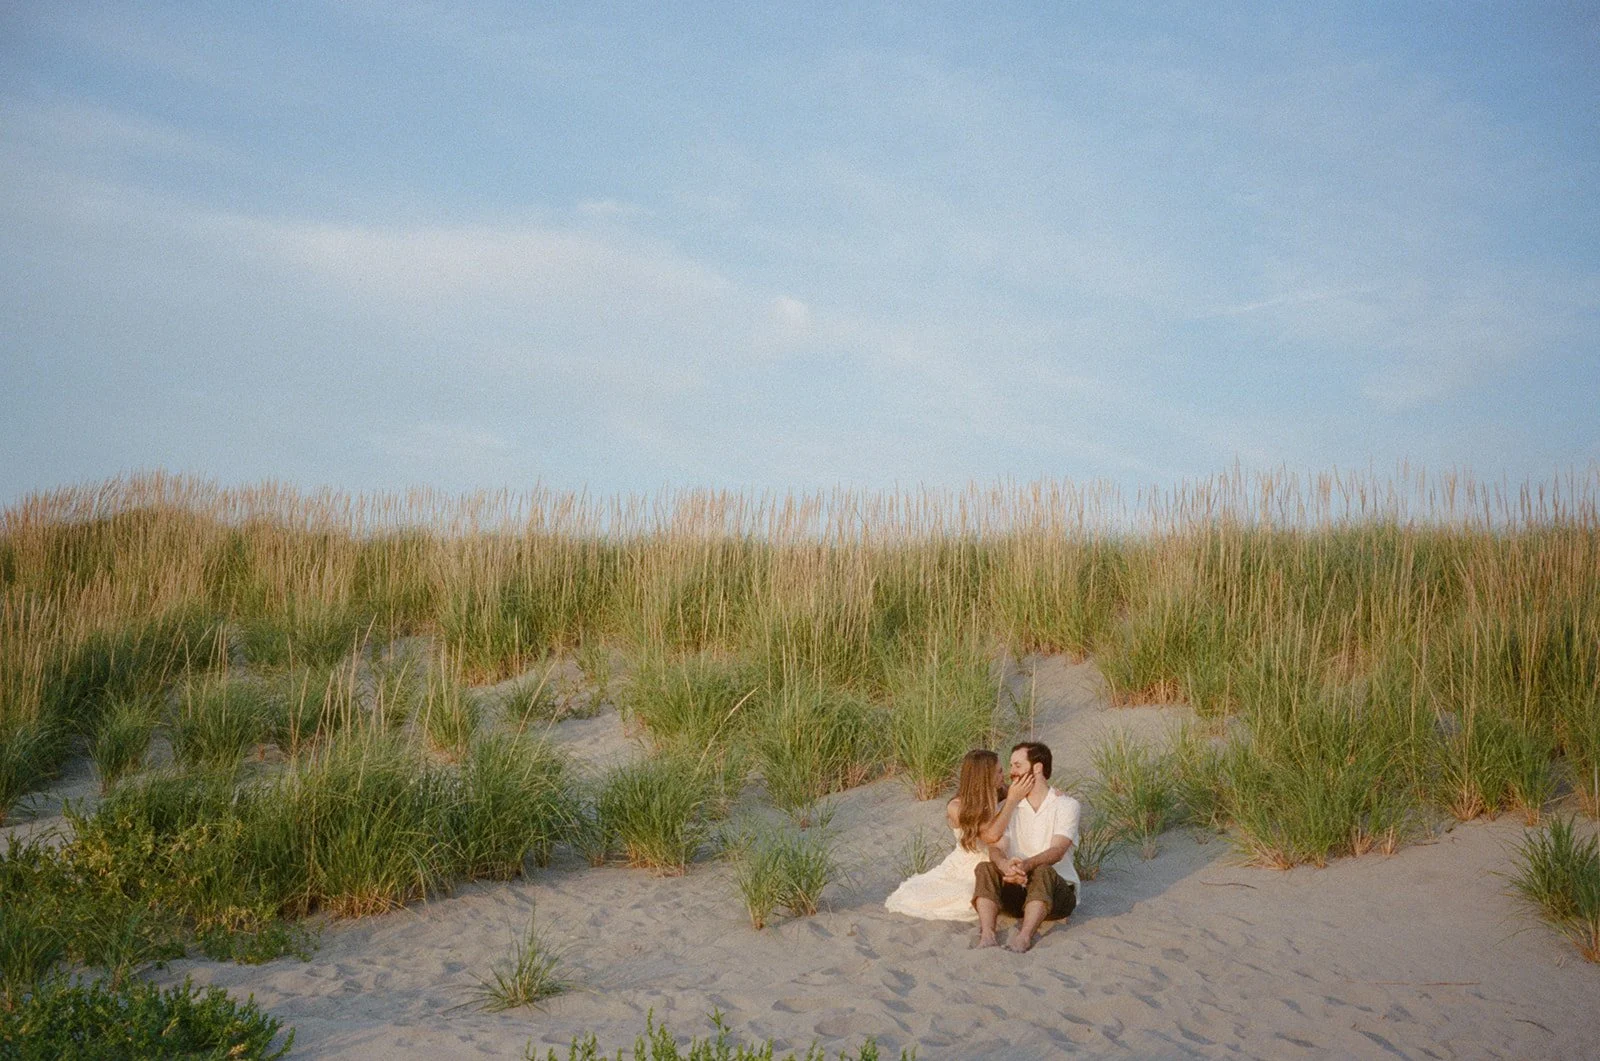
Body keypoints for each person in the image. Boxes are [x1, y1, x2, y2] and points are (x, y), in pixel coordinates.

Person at [884, 749, 1033, 920]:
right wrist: (1012, 801)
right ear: (985, 777)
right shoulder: (956, 807)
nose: (1003, 774)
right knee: (965, 898)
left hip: (998, 860)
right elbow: (990, 836)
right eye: (998, 771)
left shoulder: (1000, 790)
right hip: (968, 865)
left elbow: (1036, 793)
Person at [973, 740, 1079, 952]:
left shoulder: (1066, 805)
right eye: (1010, 766)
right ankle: (987, 934)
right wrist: (1004, 865)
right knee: (984, 868)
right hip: (1017, 890)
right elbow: (996, 846)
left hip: (1056, 894)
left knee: (1043, 871)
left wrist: (1026, 865)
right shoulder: (1008, 806)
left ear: (1037, 768)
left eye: (1017, 765)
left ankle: (1023, 937)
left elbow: (1057, 851)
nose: (1011, 772)